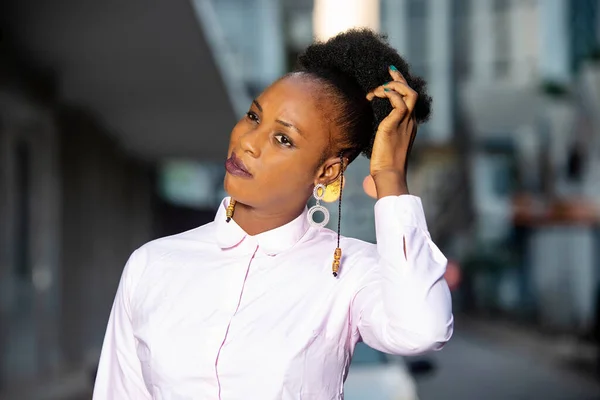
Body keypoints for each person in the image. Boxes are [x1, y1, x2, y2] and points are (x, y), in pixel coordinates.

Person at [92, 29, 453, 400]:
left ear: (327, 172)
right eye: (253, 116)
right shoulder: (152, 264)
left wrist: (390, 176)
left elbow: (423, 330)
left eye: (283, 139)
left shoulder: (350, 272)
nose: (248, 142)